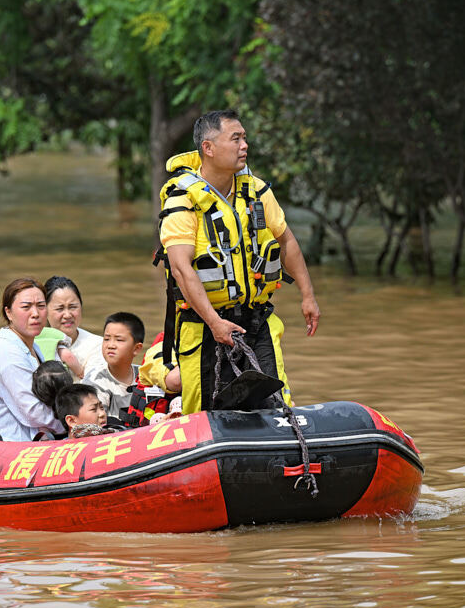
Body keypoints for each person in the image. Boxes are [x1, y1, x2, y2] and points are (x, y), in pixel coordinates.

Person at [157, 110, 320, 414]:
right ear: (209, 148)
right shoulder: (183, 200)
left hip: (256, 323)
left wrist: (307, 296)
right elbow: (181, 268)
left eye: (244, 137)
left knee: (276, 407)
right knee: (207, 415)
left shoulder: (256, 191)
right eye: (236, 139)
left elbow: (287, 241)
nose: (245, 145)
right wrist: (215, 322)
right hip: (205, 326)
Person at [0, 278, 64, 441]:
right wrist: (71, 423)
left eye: (41, 306)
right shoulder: (8, 354)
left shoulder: (30, 346)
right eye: (26, 307)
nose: (35, 314)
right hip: (7, 448)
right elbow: (34, 413)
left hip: (33, 441)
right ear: (8, 312)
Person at [81, 312, 145, 419]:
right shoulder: (95, 380)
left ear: (137, 348)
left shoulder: (146, 375)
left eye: (119, 340)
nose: (110, 345)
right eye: (106, 339)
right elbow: (96, 424)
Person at [44, 276, 103, 373]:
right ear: (45, 311)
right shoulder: (33, 344)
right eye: (59, 309)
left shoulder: (98, 346)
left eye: (72, 307)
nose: (67, 315)